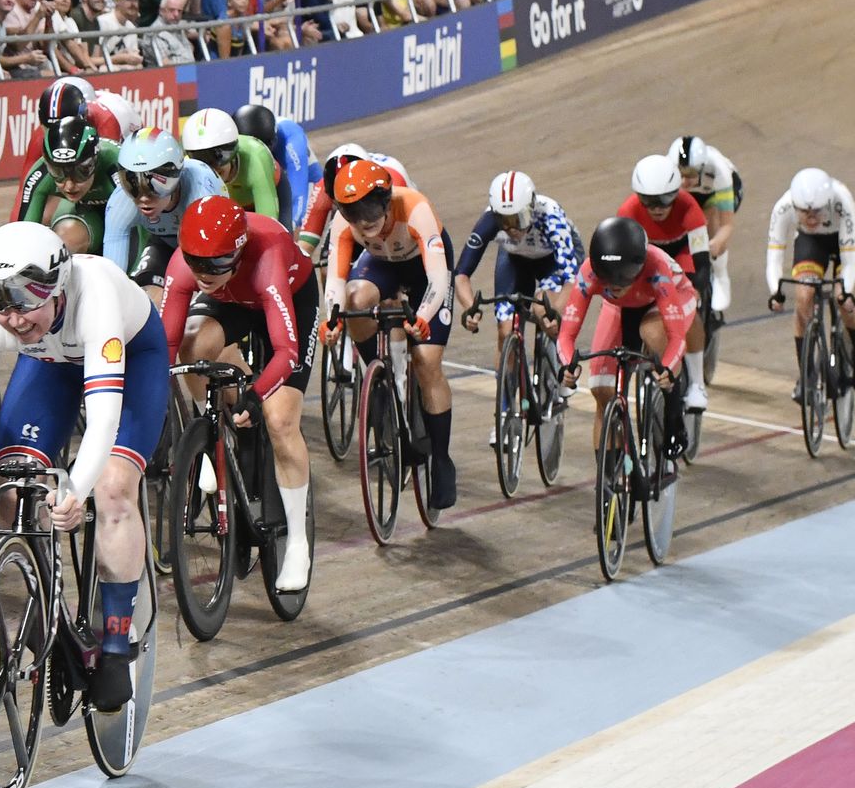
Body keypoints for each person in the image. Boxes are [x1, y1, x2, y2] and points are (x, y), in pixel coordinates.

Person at [0, 222, 168, 712]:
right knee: (12, 489)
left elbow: (103, 419)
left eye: (24, 303)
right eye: (2, 305)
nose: (14, 320)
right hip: (51, 366)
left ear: (58, 287)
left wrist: (77, 490)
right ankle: (47, 605)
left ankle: (118, 641)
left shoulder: (95, 294)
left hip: (132, 356)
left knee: (113, 489)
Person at [164, 197, 317, 590]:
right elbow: (168, 343)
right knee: (194, 350)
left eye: (213, 264)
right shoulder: (193, 265)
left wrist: (257, 394)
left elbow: (286, 353)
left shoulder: (265, 259)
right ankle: (213, 429)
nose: (202, 273)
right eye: (196, 262)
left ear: (237, 251)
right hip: (233, 298)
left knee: (280, 419)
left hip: (288, 299)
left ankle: (297, 540)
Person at [325, 158, 459, 509]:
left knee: (426, 360)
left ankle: (442, 459)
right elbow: (336, 283)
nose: (362, 222)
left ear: (386, 202)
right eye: (352, 213)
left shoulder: (416, 208)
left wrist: (425, 316)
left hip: (424, 272)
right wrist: (332, 320)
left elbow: (439, 279)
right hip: (382, 264)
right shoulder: (345, 222)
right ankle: (379, 378)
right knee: (355, 299)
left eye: (370, 210)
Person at [453, 171, 584, 443]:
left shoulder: (551, 218)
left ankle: (561, 365)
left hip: (554, 263)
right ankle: (502, 415)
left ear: (531, 207)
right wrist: (468, 307)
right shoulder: (490, 220)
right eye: (506, 222)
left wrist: (555, 313)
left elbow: (572, 279)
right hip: (516, 261)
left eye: (519, 219)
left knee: (543, 310)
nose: (512, 228)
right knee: (504, 329)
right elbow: (461, 274)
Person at [557, 216, 695, 457]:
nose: (613, 285)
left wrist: (670, 368)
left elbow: (676, 337)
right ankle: (611, 479)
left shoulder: (656, 269)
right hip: (621, 307)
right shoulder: (589, 272)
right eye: (607, 281)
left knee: (651, 332)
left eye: (621, 281)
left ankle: (674, 412)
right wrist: (568, 365)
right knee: (601, 388)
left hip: (671, 297)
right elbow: (566, 334)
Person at [765, 167, 855, 396]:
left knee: (843, 299)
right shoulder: (783, 207)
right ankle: (807, 374)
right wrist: (776, 291)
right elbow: (774, 257)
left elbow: (850, 261)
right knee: (803, 298)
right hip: (812, 242)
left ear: (828, 203)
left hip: (850, 241)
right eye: (804, 212)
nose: (811, 218)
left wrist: (847, 292)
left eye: (817, 211)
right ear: (795, 206)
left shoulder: (842, 200)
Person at [617, 155, 711, 412]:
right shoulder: (628, 212)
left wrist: (697, 290)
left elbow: (702, 261)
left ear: (676, 193)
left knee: (688, 309)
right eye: (648, 201)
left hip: (681, 254)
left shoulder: (690, 207)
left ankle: (697, 384)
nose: (657, 208)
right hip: (647, 257)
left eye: (665, 200)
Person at [102, 126, 227, 301]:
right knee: (146, 300)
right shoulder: (121, 200)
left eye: (155, 185)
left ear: (177, 176)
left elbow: (214, 262)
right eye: (132, 185)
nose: (144, 198)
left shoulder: (200, 193)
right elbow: (113, 279)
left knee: (192, 313)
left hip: (211, 248)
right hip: (163, 244)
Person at [20, 115, 125, 257]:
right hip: (84, 213)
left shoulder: (118, 164)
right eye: (57, 172)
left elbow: (143, 228)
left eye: (80, 172)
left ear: (95, 161)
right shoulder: (39, 174)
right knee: (66, 240)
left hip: (124, 216)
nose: (69, 186)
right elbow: (24, 234)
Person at [668, 135, 743, 317]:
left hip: (715, 194)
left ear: (702, 168)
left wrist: (715, 243)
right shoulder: (667, 168)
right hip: (689, 197)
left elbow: (728, 225)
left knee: (711, 220)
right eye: (681, 174)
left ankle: (720, 275)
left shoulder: (719, 171)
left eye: (691, 175)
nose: (685, 181)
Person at [233, 104, 323, 252]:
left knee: (294, 245)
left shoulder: (291, 139)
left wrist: (290, 229)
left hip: (301, 180)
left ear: (272, 141)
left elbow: (298, 195)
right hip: (269, 179)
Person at [179, 107, 282, 225]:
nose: (212, 169)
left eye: (218, 157)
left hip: (268, 190)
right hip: (232, 203)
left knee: (280, 238)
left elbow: (269, 223)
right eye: (202, 159)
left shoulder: (256, 157)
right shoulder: (189, 168)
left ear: (233, 151)